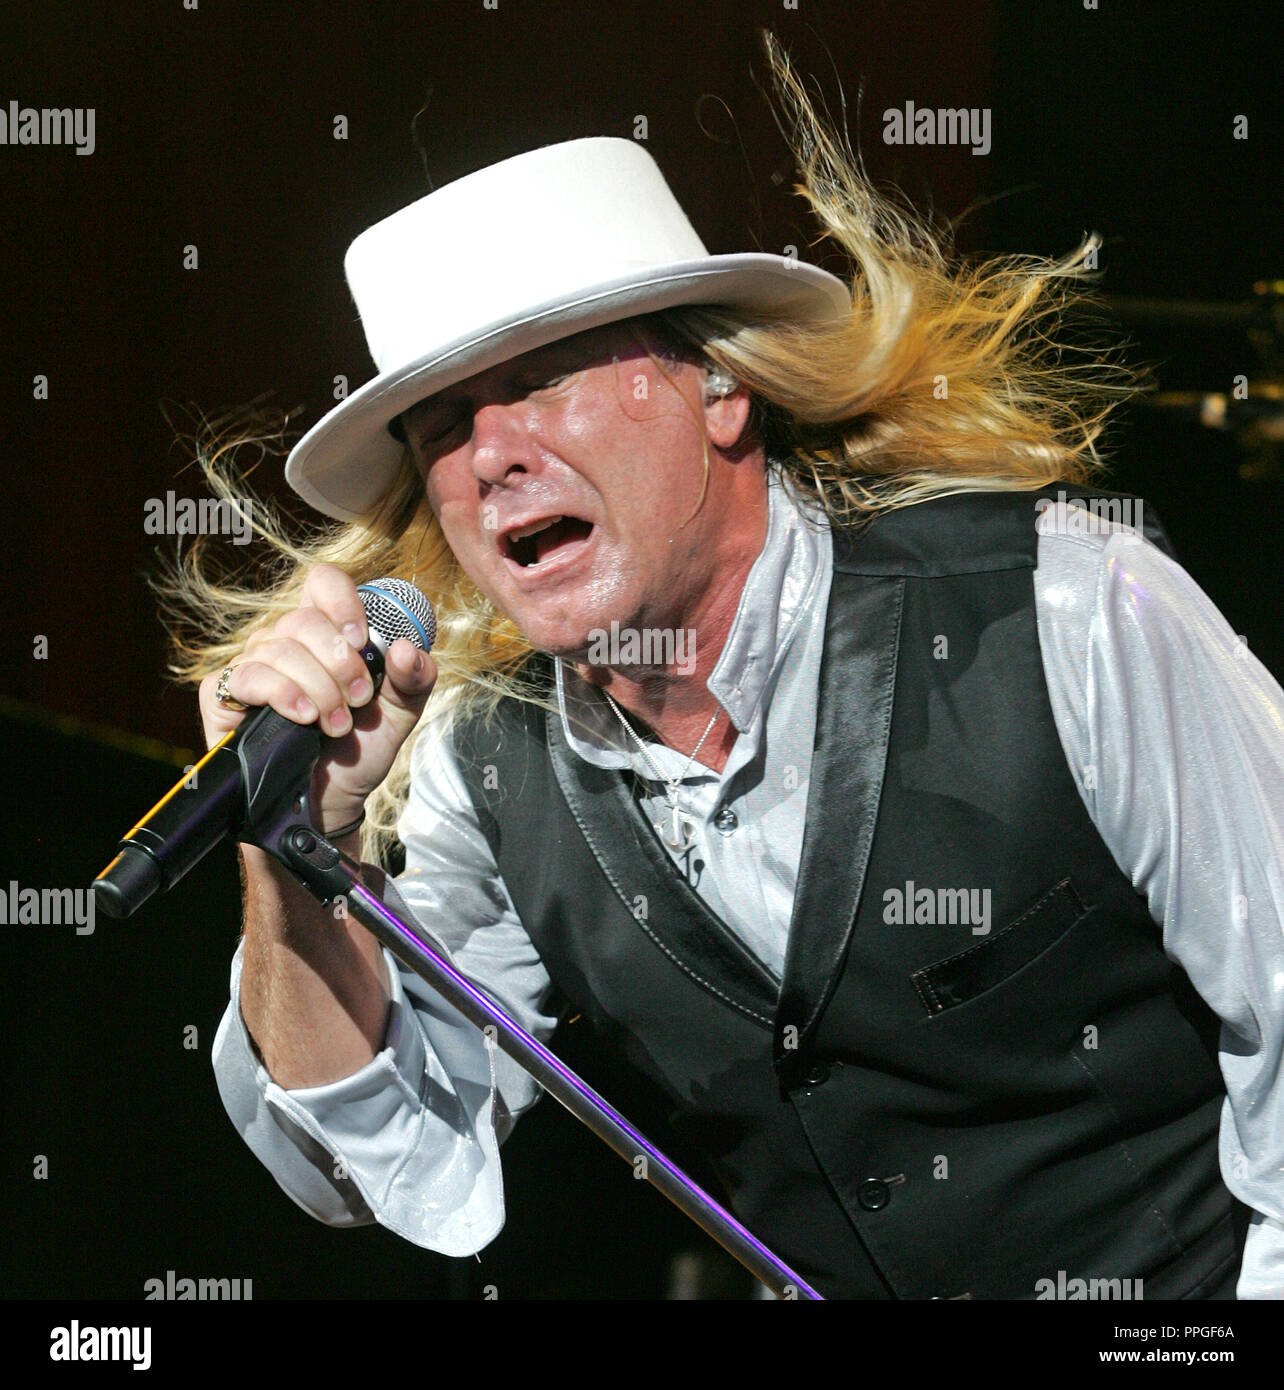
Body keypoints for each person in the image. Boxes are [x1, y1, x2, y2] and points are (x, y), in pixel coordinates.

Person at [168, 43, 1284, 1298]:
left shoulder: (1065, 610)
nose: (491, 457)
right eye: (443, 427)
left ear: (720, 392)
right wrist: (293, 852)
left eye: (539, 383)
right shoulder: (490, 766)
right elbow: (378, 1164)